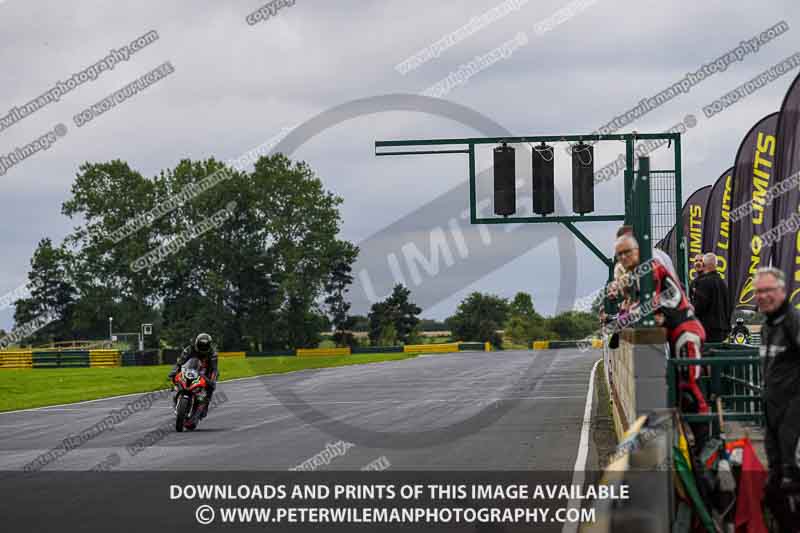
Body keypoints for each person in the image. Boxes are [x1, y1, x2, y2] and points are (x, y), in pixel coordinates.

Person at [615, 234, 709, 448]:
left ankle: (704, 445)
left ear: (638, 251)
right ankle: (692, 445)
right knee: (680, 388)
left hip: (686, 331)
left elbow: (647, 308)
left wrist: (633, 315)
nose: (623, 257)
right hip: (677, 331)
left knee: (689, 387)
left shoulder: (650, 269)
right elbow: (644, 309)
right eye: (620, 254)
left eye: (627, 252)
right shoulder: (640, 275)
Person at [754, 267, 800, 528]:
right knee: (774, 490)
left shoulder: (794, 322)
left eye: (769, 290)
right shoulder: (767, 327)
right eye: (759, 291)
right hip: (773, 418)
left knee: (791, 487)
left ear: (783, 291)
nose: (763, 296)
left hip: (793, 422)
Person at [168, 333, 219, 419]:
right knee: (176, 378)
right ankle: (177, 394)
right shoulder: (189, 349)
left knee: (211, 387)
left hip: (206, 372)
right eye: (201, 345)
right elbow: (180, 362)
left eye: (205, 346)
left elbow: (214, 369)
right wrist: (173, 372)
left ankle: (205, 405)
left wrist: (212, 380)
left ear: (209, 345)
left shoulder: (213, 354)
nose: (203, 348)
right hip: (190, 369)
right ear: (196, 343)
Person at [691, 252, 731, 343]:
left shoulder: (703, 283)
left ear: (704, 265)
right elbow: (729, 306)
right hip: (722, 330)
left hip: (707, 330)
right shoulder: (722, 283)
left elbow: (699, 307)